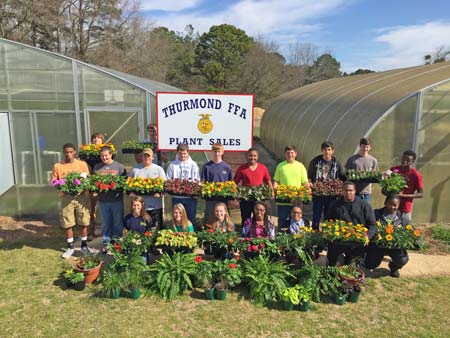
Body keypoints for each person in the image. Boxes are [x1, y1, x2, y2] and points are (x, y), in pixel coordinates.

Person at [52, 143, 91, 258]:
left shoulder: (82, 164)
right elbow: (54, 181)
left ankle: (84, 246)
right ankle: (70, 247)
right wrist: (62, 187)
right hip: (66, 197)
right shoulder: (58, 166)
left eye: (70, 152)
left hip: (81, 196)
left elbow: (87, 179)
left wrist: (82, 189)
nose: (68, 154)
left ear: (75, 152)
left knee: (83, 221)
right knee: (67, 222)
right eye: (66, 152)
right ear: (63, 153)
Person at [325, 181, 377, 266]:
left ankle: (350, 264)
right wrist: (329, 232)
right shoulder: (335, 204)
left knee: (352, 265)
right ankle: (333, 265)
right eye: (346, 190)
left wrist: (367, 237)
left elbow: (372, 225)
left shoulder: (364, 205)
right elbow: (328, 221)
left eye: (350, 190)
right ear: (342, 191)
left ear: (355, 191)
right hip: (339, 238)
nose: (348, 192)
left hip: (357, 240)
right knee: (333, 262)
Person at [365, 194, 410, 277]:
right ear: (385, 203)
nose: (392, 207)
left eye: (395, 205)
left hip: (395, 247)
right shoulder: (376, 214)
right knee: (370, 265)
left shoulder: (403, 218)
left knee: (402, 259)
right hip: (378, 246)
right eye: (390, 204)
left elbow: (409, 232)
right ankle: (373, 259)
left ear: (398, 205)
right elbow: (369, 227)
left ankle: (394, 267)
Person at [93, 146, 127, 254]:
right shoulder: (97, 167)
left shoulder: (119, 167)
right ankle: (106, 244)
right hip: (103, 200)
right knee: (105, 223)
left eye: (106, 155)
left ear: (111, 154)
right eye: (102, 156)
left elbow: (125, 183)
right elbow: (94, 183)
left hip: (116, 200)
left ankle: (117, 244)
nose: (104, 158)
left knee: (117, 223)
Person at [308, 141, 345, 230]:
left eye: (329, 150)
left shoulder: (337, 163)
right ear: (321, 150)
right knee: (316, 214)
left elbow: (343, 177)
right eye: (325, 150)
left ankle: (327, 232)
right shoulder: (315, 162)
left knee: (329, 214)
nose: (327, 152)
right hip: (318, 194)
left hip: (332, 195)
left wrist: (339, 189)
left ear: (333, 151)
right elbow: (309, 177)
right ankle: (315, 231)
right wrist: (311, 186)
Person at [129, 147, 167, 230]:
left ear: (153, 157)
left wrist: (160, 193)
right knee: (141, 229)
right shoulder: (135, 169)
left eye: (149, 156)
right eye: (144, 156)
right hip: (139, 208)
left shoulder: (159, 169)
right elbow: (128, 184)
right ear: (141, 157)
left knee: (155, 229)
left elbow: (165, 186)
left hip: (155, 206)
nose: (147, 158)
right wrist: (130, 193)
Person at [234, 147, 274, 223]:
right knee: (245, 216)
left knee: (259, 216)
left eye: (254, 156)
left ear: (257, 157)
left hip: (259, 197)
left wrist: (271, 191)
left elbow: (268, 181)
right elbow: (235, 183)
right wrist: (237, 194)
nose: (252, 157)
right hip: (245, 197)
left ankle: (258, 232)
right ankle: (245, 232)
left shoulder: (263, 168)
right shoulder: (242, 168)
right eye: (250, 156)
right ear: (247, 156)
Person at [166, 143, 200, 227]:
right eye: (180, 153)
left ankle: (191, 238)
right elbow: (168, 181)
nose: (182, 155)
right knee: (177, 220)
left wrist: (196, 192)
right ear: (177, 153)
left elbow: (197, 181)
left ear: (188, 152)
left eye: (184, 153)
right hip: (177, 197)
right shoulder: (172, 165)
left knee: (190, 221)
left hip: (190, 198)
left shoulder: (193, 165)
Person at [273, 145, 309, 224]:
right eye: (288, 153)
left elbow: (305, 182)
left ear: (296, 154)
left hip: (297, 199)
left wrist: (308, 189)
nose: (290, 155)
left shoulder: (300, 166)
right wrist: (275, 188)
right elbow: (276, 181)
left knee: (297, 220)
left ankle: (298, 235)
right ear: (285, 154)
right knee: (283, 220)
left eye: (292, 153)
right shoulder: (280, 166)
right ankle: (281, 235)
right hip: (283, 200)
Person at [202, 143, 233, 222]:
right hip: (210, 198)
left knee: (223, 216)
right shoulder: (207, 166)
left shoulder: (226, 167)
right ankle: (208, 232)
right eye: (215, 151)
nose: (217, 154)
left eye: (219, 151)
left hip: (223, 198)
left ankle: (225, 232)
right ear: (212, 152)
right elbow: (203, 182)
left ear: (222, 152)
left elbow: (230, 183)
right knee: (210, 216)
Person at [85, 132, 106, 241]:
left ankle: (106, 232)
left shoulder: (107, 151)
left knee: (105, 210)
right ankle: (90, 232)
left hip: (104, 184)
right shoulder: (88, 152)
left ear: (102, 140)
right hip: (92, 184)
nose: (96, 140)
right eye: (94, 138)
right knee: (91, 210)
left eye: (98, 138)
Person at [390, 150, 423, 219]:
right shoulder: (394, 170)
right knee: (387, 228)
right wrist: (386, 191)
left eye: (408, 160)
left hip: (404, 208)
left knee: (404, 228)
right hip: (390, 206)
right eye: (403, 159)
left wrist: (403, 195)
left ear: (413, 162)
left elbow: (420, 194)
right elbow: (387, 185)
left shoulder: (416, 175)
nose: (404, 161)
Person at [345, 137, 378, 203]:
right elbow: (347, 173)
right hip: (354, 191)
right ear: (360, 146)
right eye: (363, 146)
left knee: (365, 210)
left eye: (367, 147)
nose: (365, 149)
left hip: (366, 192)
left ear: (370, 147)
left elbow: (374, 174)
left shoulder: (373, 160)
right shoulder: (352, 159)